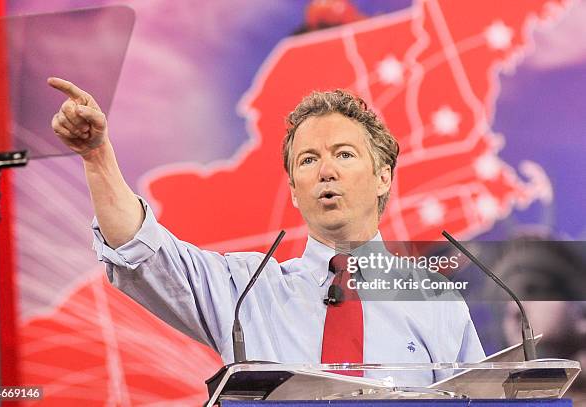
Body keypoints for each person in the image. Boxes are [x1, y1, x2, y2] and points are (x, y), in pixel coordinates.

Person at [48, 77, 485, 386]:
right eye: (308, 161)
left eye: (344, 154)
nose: (326, 171)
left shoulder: (433, 299)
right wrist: (96, 155)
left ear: (384, 178)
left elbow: (480, 402)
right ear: (294, 191)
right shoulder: (248, 289)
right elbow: (141, 252)